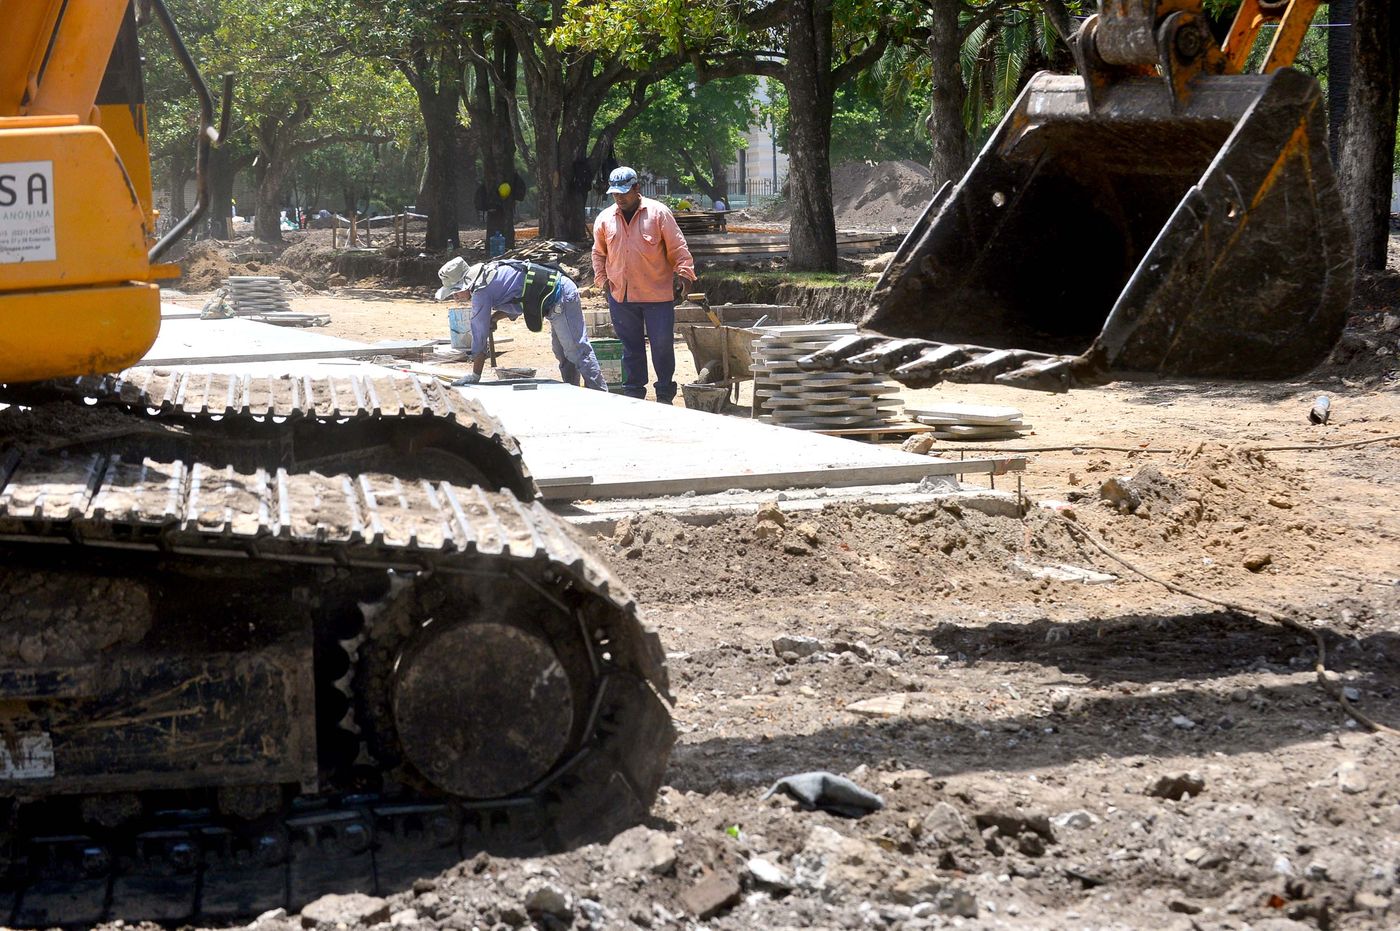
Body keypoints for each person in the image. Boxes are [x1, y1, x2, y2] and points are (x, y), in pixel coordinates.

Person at [591, 166, 696, 403]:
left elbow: (678, 247)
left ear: (637, 188)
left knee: (662, 347)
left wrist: (685, 274)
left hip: (657, 296)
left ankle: (665, 394)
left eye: (624, 193)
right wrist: (602, 280)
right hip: (621, 297)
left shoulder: (659, 214)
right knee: (631, 349)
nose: (619, 198)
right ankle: (634, 395)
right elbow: (598, 253)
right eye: (615, 194)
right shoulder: (605, 219)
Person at [434, 256, 608, 391]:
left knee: (576, 350)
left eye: (456, 291)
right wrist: (494, 319)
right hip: (552, 298)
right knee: (562, 352)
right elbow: (519, 302)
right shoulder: (488, 274)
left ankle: (600, 395)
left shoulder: (480, 292)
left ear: (466, 283)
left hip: (560, 295)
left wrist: (475, 375)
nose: (455, 297)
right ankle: (575, 392)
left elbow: (479, 334)